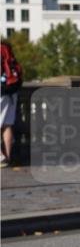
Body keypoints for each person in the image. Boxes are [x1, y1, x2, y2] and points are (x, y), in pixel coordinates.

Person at [1, 39, 23, 168]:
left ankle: (1, 157)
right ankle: (7, 157)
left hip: (1, 92)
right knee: (7, 125)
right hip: (12, 92)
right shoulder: (8, 52)